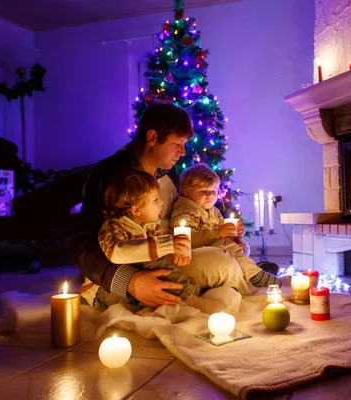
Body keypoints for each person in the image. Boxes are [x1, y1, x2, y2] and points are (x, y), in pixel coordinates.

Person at [69, 102, 251, 310]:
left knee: (229, 254)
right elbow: (81, 243)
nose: (183, 152)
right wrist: (131, 281)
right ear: (153, 138)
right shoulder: (112, 175)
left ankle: (231, 284)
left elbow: (185, 218)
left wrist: (221, 235)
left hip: (167, 256)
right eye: (177, 144)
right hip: (131, 264)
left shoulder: (168, 173)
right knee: (223, 264)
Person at [80, 170, 224, 314]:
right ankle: (188, 298)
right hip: (104, 292)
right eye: (155, 199)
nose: (161, 202)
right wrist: (165, 245)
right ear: (136, 209)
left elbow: (154, 253)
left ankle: (178, 298)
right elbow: (117, 253)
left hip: (136, 289)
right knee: (152, 262)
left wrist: (172, 255)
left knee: (159, 267)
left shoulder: (151, 226)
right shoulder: (114, 227)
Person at [171, 163, 290, 291]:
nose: (210, 196)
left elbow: (223, 233)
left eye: (213, 191)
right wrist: (217, 233)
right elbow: (187, 241)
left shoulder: (213, 211)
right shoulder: (185, 211)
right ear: (186, 191)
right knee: (225, 244)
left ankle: (253, 274)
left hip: (216, 250)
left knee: (232, 245)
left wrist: (235, 235)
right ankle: (256, 275)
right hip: (196, 256)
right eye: (203, 191)